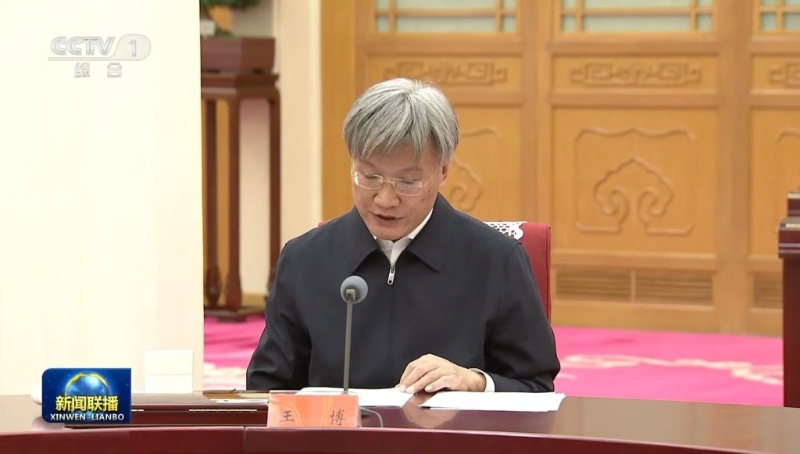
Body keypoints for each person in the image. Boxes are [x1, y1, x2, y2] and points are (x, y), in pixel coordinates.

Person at [246, 78, 559, 393]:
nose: (385, 199)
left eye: (407, 182)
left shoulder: (496, 260)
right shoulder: (305, 259)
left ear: (443, 172)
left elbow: (536, 387)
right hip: (337, 427)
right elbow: (267, 388)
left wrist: (474, 382)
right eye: (369, 177)